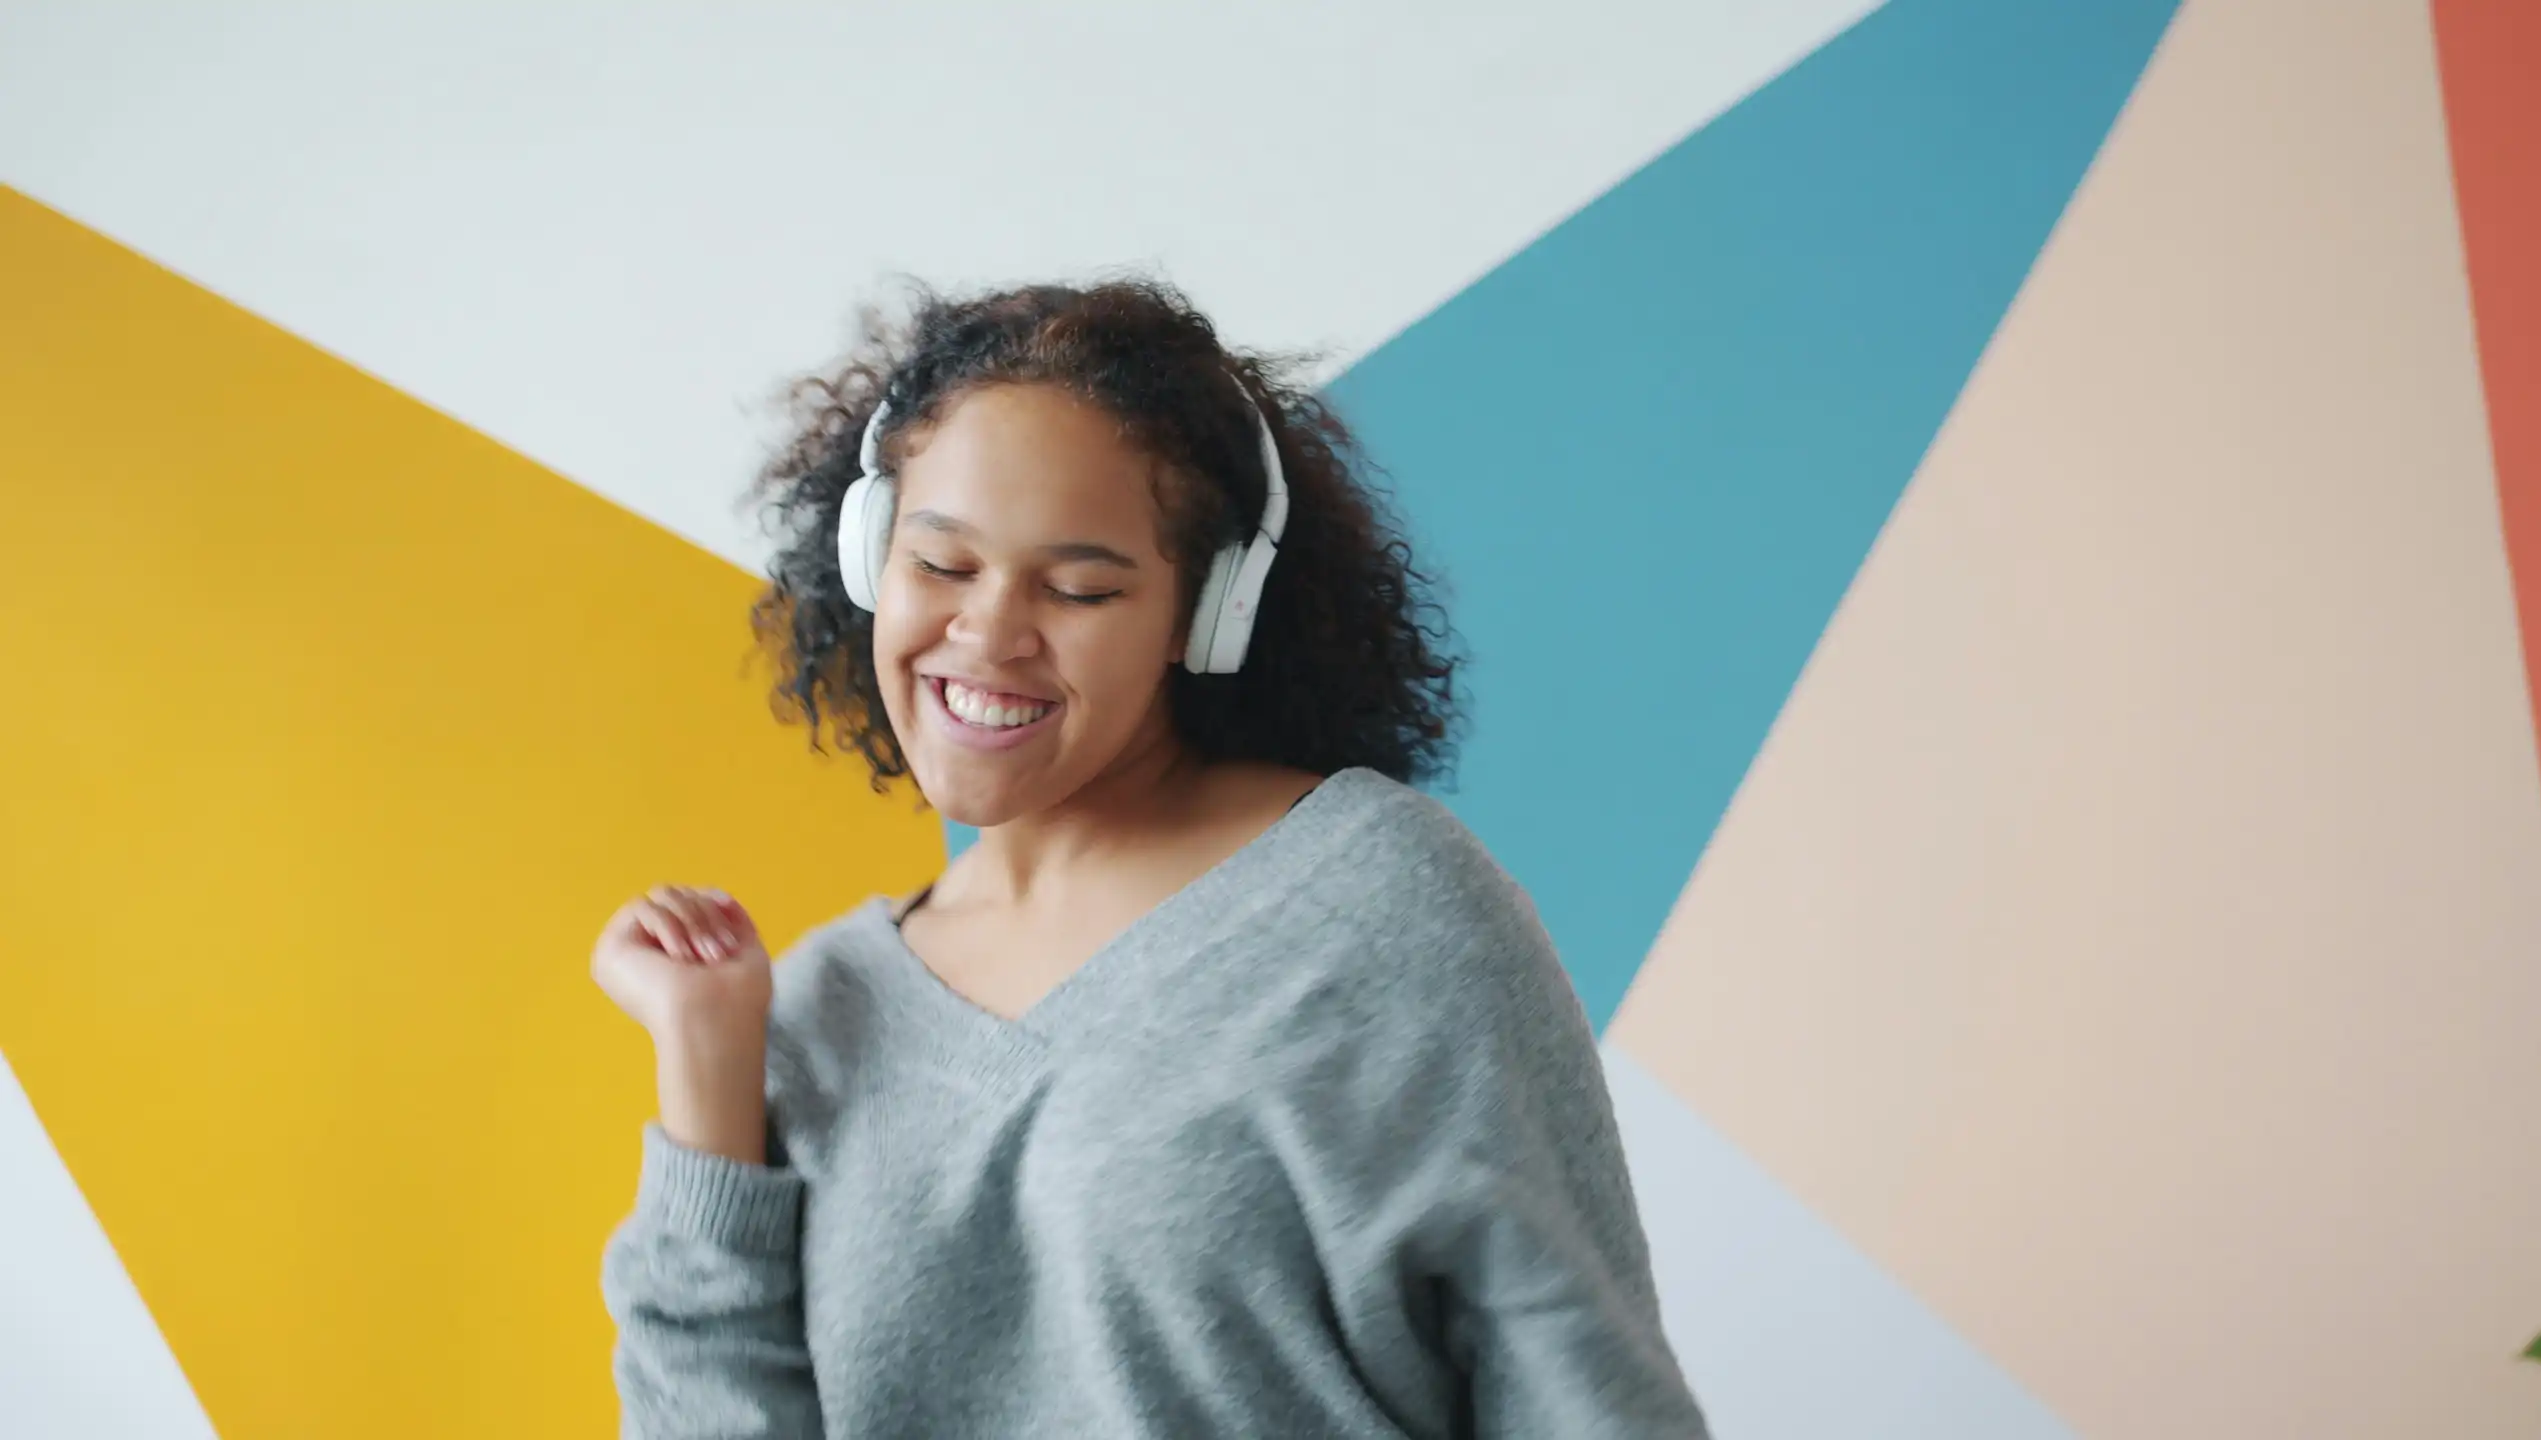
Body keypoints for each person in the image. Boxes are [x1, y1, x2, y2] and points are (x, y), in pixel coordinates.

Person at [592, 279, 1710, 1437]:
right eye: (942, 565)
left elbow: (1581, 1389)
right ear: (871, 557)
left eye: (1078, 587)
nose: (989, 633)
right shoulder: (821, 1008)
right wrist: (710, 1065)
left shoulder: (1376, 905)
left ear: (1204, 614)